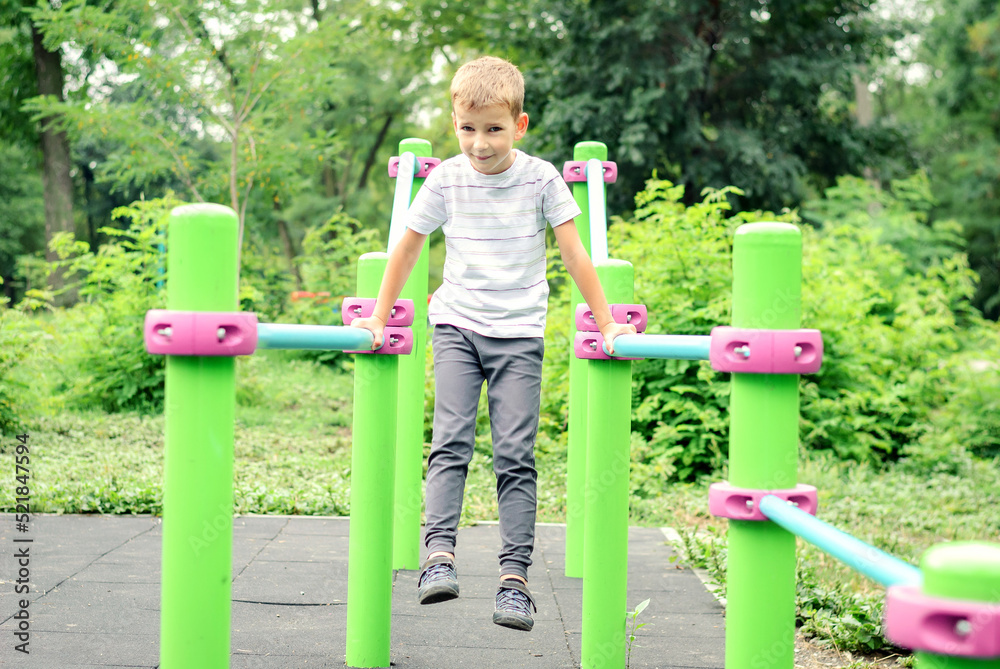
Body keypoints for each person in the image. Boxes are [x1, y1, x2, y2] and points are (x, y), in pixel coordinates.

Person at [350, 56, 635, 632]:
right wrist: (378, 316)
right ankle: (438, 557)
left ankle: (514, 581)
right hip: (456, 325)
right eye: (467, 129)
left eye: (493, 129)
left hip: (520, 334)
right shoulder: (446, 178)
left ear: (520, 125)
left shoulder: (541, 178)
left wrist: (607, 324)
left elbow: (574, 253)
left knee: (514, 456)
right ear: (455, 123)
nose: (479, 144)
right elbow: (407, 247)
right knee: (450, 442)